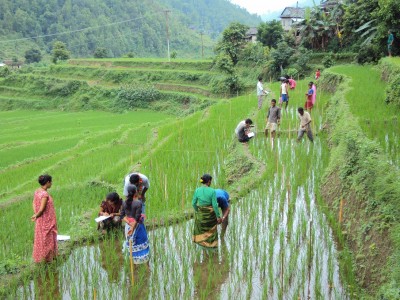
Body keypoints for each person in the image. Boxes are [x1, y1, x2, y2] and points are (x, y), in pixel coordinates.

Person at [31, 174, 58, 263]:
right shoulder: (44, 194)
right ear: (47, 182)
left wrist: (36, 214)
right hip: (46, 220)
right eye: (51, 182)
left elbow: (34, 203)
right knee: (47, 240)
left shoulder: (37, 191)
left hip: (41, 220)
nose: (51, 184)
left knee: (41, 239)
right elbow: (42, 209)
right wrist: (37, 215)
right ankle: (47, 259)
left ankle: (42, 258)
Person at [121, 185, 150, 264]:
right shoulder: (138, 203)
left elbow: (122, 216)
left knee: (131, 244)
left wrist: (129, 223)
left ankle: (134, 264)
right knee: (140, 242)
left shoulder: (124, 202)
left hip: (129, 226)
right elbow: (137, 219)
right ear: (135, 193)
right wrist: (132, 227)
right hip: (137, 227)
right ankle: (144, 263)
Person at [192, 174, 222, 249]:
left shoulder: (197, 190)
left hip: (201, 216)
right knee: (211, 232)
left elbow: (193, 203)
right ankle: (212, 248)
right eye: (211, 181)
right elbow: (215, 205)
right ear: (208, 182)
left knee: (201, 232)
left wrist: (197, 211)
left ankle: (203, 246)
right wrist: (218, 217)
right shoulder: (212, 191)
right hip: (210, 216)